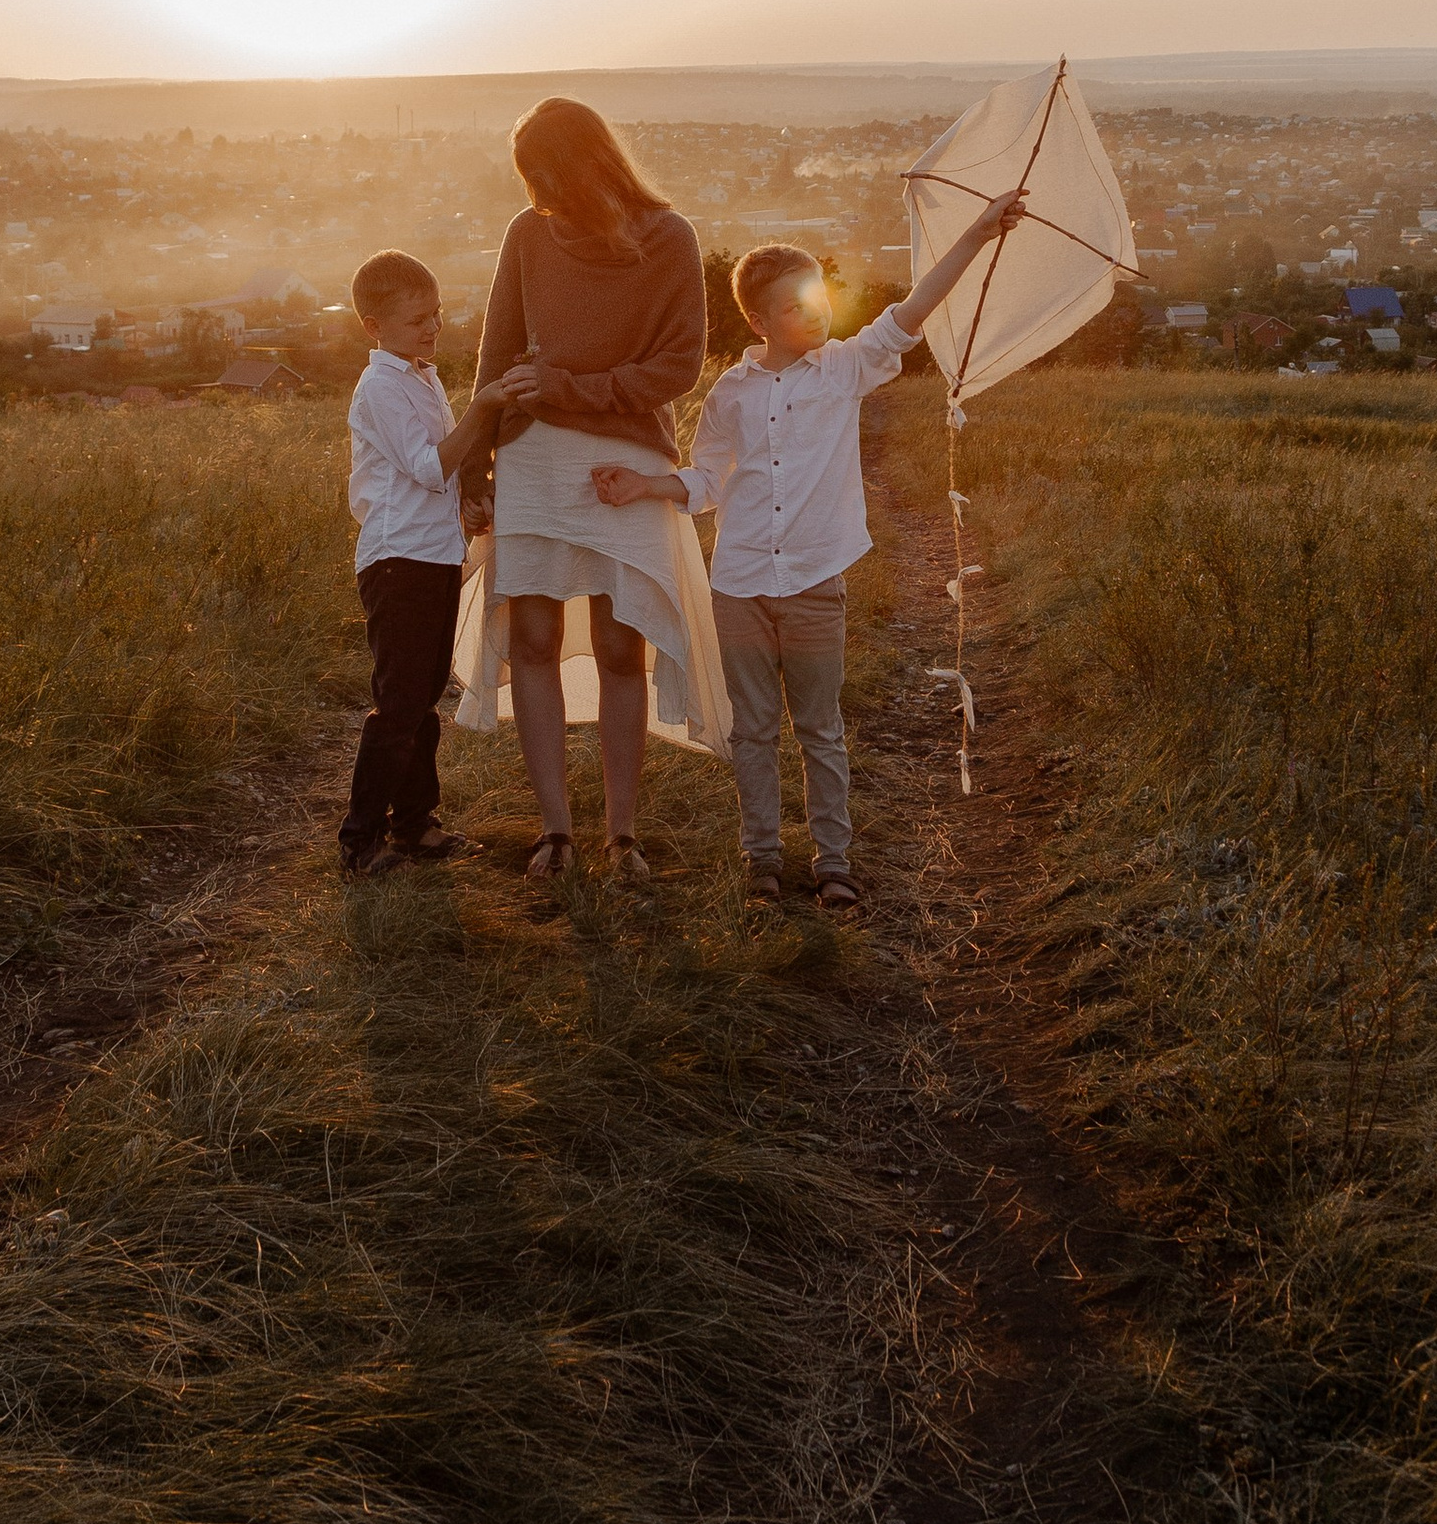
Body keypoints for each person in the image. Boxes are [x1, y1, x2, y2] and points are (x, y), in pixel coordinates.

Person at [592, 194, 1027, 914]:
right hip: (738, 585)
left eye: (817, 299)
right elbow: (708, 481)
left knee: (820, 728)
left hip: (815, 583)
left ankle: (834, 862)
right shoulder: (729, 394)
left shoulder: (844, 369)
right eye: (795, 308)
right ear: (759, 322)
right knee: (755, 730)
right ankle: (762, 857)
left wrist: (979, 233)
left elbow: (913, 311)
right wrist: (644, 484)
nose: (816, 315)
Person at [466, 98, 727, 884]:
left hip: (626, 463)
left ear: (587, 163)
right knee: (533, 642)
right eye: (528, 179)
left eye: (547, 175)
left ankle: (621, 834)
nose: (539, 193)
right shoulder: (528, 232)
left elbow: (678, 367)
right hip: (532, 460)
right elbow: (497, 357)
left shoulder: (669, 238)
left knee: (622, 645)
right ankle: (556, 833)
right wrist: (473, 469)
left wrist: (572, 387)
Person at [340, 252, 509, 875]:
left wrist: (470, 502)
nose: (432, 328)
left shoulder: (421, 375)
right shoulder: (381, 386)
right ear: (373, 326)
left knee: (423, 697)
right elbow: (429, 464)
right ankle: (359, 840)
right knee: (399, 703)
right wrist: (483, 408)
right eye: (417, 320)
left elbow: (441, 478)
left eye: (436, 314)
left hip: (435, 555)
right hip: (397, 561)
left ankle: (415, 824)